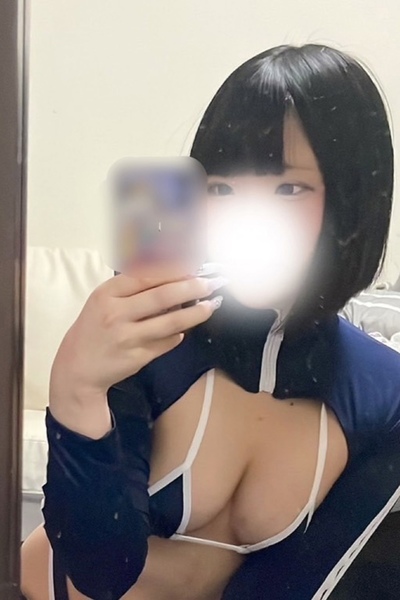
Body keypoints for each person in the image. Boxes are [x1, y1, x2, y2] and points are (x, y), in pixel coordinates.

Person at [21, 44, 400, 600]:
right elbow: (101, 571)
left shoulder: (383, 392)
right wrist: (76, 392)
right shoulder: (151, 335)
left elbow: (307, 581)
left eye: (288, 188)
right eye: (221, 188)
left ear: (351, 201)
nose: (244, 215)